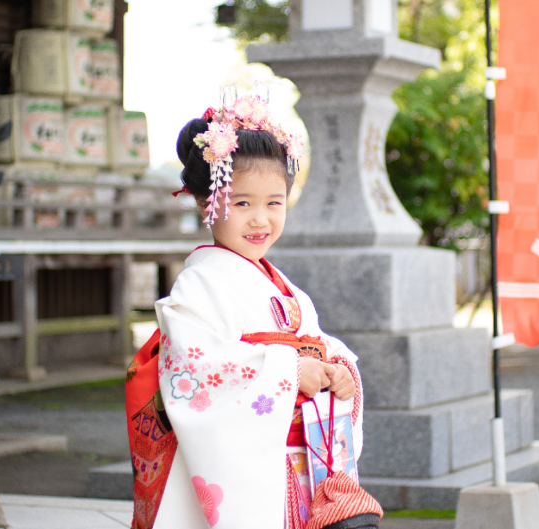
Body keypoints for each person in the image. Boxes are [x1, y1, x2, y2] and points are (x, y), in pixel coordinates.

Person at [125, 95, 365, 529]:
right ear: (207, 203)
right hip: (249, 472)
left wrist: (337, 369)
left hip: (296, 464)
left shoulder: (285, 288)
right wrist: (291, 371)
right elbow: (194, 369)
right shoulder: (199, 286)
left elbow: (319, 345)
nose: (260, 220)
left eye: (274, 203)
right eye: (241, 204)